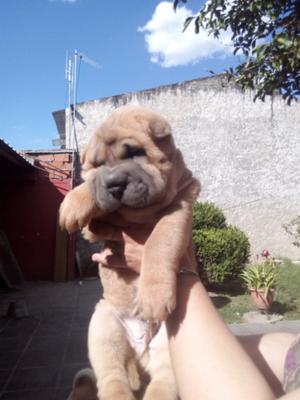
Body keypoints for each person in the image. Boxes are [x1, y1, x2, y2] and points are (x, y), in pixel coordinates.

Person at [91, 225, 300, 400]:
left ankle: (155, 385)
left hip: (159, 320)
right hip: (119, 311)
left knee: (164, 379)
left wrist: (175, 268)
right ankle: (113, 383)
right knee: (104, 323)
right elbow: (292, 351)